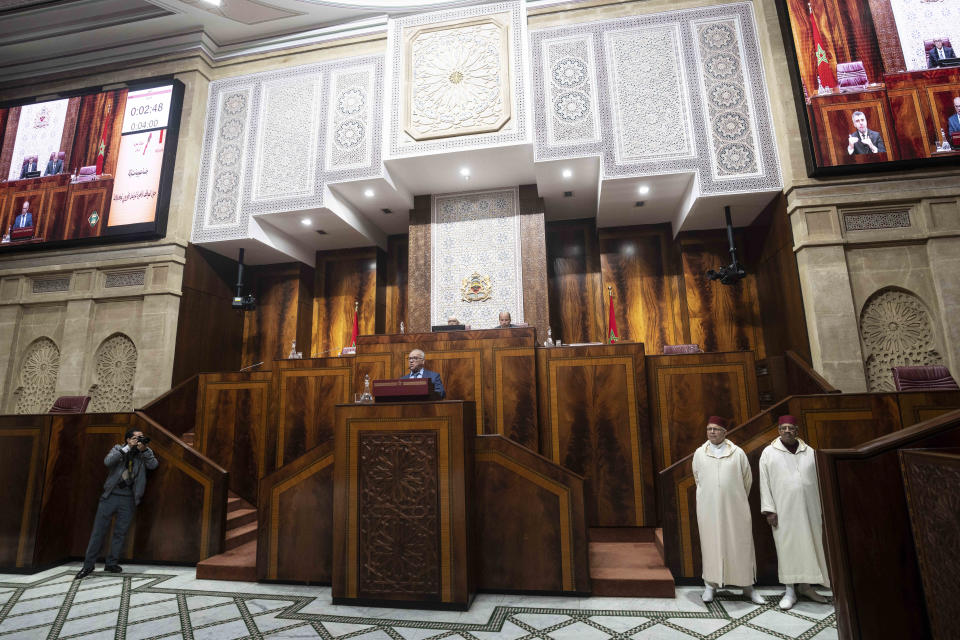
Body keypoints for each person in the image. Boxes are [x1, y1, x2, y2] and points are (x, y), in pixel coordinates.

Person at [759, 415, 831, 610]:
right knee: (788, 548)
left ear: (797, 431)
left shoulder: (810, 452)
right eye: (784, 428)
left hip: (810, 510)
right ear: (778, 430)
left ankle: (806, 587)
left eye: (791, 428)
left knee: (810, 546)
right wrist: (769, 510)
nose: (787, 431)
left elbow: (820, 480)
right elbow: (764, 482)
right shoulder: (768, 453)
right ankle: (790, 590)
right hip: (783, 511)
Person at [693, 416, 766, 605]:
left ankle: (748, 587)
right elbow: (698, 479)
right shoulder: (700, 453)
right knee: (711, 545)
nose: (712, 432)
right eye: (709, 429)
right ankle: (710, 586)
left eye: (716, 429)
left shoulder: (738, 453)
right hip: (709, 510)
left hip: (735, 509)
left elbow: (747, 480)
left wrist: (734, 498)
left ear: (725, 432)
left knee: (740, 545)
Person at [76, 429, 159, 579]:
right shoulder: (118, 449)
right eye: (134, 438)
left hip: (129, 499)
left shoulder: (143, 453)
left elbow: (153, 465)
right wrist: (126, 448)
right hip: (110, 496)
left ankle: (111, 563)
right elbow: (108, 462)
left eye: (140, 437)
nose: (138, 440)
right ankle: (88, 566)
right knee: (98, 532)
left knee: (120, 532)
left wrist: (145, 450)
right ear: (127, 439)